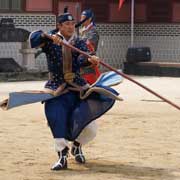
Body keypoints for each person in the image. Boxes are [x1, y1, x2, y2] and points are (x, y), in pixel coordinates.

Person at [29, 10, 120, 171]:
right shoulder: (51, 40)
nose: (71, 27)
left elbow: (82, 59)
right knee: (56, 118)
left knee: (90, 127)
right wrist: (48, 36)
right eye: (67, 24)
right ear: (59, 26)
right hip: (56, 87)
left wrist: (91, 59)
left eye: (72, 24)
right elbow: (33, 39)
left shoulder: (78, 42)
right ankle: (62, 157)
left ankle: (77, 146)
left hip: (78, 87)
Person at [76, 9, 101, 85]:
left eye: (83, 18)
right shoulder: (82, 30)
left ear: (89, 19)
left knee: (91, 85)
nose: (81, 20)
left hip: (89, 61)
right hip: (81, 61)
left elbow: (89, 44)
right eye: (81, 17)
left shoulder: (93, 31)